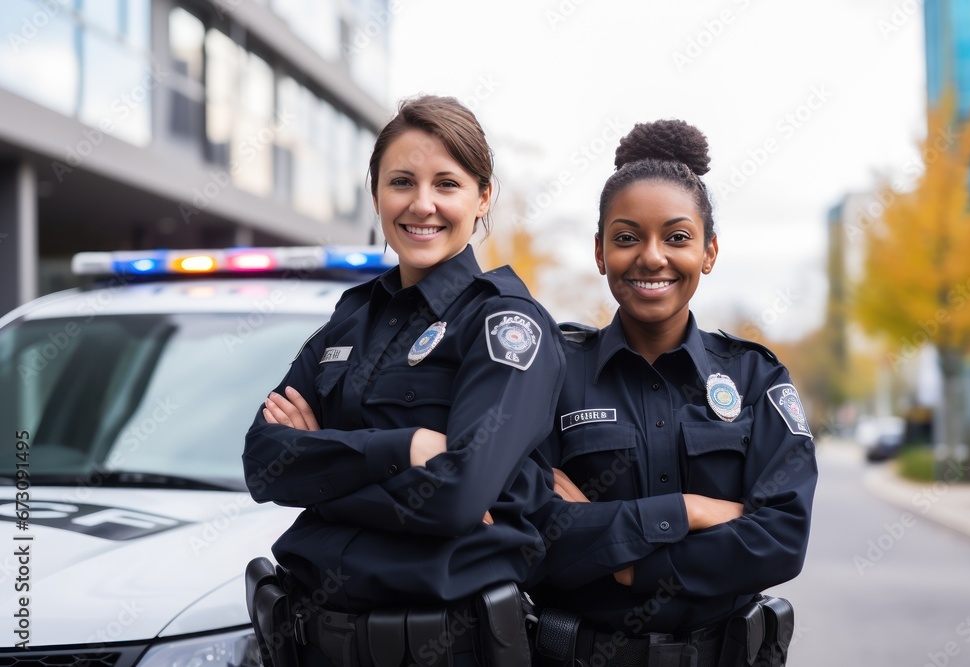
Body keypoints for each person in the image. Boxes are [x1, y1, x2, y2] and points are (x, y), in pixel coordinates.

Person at [242, 95, 567, 667]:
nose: (423, 204)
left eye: (447, 183)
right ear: (376, 195)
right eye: (401, 182)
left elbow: (457, 498)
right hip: (309, 645)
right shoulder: (351, 317)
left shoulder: (503, 324)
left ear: (482, 196)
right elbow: (263, 461)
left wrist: (319, 479)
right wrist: (405, 449)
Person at [529, 119, 818, 667]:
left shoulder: (756, 379)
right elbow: (533, 532)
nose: (652, 257)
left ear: (709, 252)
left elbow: (780, 537)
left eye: (678, 237)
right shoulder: (550, 375)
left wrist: (627, 561)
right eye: (627, 237)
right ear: (599, 252)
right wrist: (694, 510)